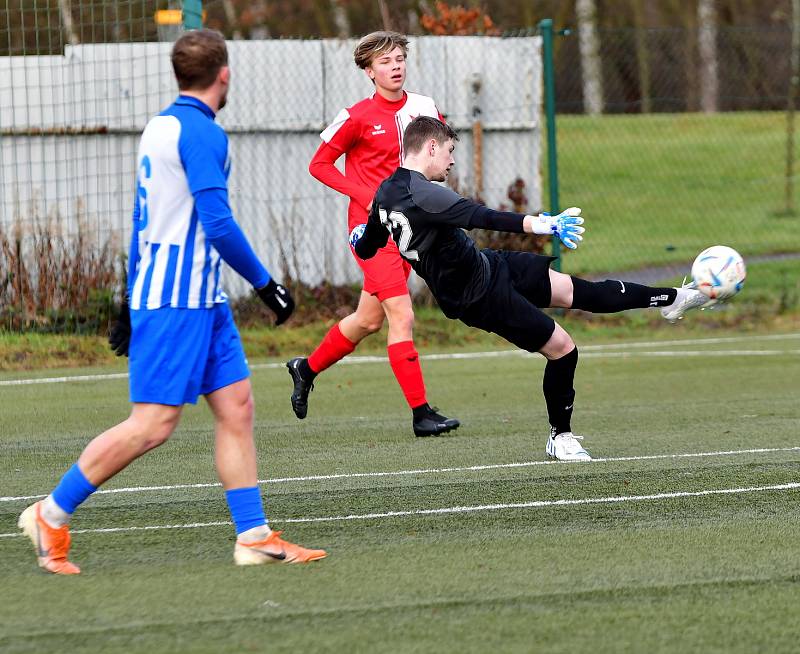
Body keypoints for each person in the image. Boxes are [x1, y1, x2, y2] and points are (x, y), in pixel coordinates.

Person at [17, 29, 326, 574]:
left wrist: (126, 295)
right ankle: (51, 511)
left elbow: (144, 220)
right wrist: (264, 282)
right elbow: (218, 221)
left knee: (236, 407)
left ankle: (253, 535)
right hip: (176, 302)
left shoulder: (160, 126)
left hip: (199, 302)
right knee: (153, 424)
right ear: (224, 75)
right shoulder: (204, 134)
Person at [352, 116, 711, 461]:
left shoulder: (387, 192)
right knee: (564, 350)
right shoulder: (425, 195)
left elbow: (368, 245)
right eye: (448, 151)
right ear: (430, 147)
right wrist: (545, 225)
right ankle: (561, 437)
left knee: (585, 293)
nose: (451, 161)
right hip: (481, 297)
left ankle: (675, 298)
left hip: (491, 265)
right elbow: (483, 217)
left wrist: (357, 238)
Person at [286, 31, 459, 438]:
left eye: (399, 58)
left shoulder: (424, 107)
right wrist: (368, 195)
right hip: (370, 232)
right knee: (403, 314)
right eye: (385, 61)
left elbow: (440, 152)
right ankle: (421, 415)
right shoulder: (356, 117)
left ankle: (305, 368)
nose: (395, 66)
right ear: (369, 70)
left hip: (410, 229)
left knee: (367, 320)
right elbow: (320, 164)